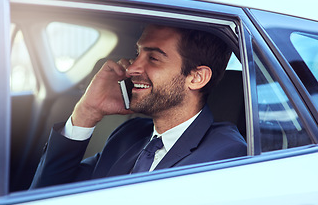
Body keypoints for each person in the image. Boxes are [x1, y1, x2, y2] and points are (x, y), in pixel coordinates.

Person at [30, 25, 247, 188]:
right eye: (137, 54)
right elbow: (46, 195)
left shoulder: (225, 154)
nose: (132, 67)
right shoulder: (129, 134)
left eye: (153, 58)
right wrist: (87, 112)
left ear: (197, 77)